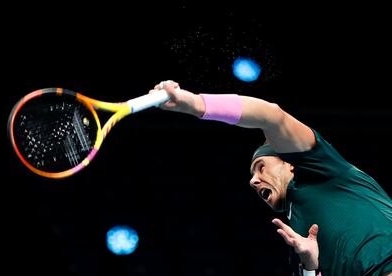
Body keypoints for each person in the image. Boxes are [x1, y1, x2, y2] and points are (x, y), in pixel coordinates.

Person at [151, 80, 392, 276]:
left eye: (261, 167)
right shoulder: (296, 243)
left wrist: (193, 103)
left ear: (289, 165)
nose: (253, 181)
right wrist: (310, 266)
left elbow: (271, 116)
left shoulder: (325, 172)